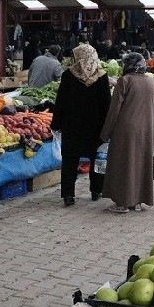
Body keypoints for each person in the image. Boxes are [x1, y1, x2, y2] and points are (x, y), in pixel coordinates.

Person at [99, 53, 154, 213]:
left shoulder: (124, 81)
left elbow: (114, 111)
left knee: (123, 164)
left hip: (125, 130)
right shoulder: (152, 82)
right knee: (141, 165)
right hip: (146, 130)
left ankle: (122, 203)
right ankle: (137, 202)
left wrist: (105, 134)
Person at [51, 44, 111, 207]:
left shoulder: (69, 75)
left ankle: (68, 195)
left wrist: (56, 124)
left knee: (70, 160)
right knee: (96, 158)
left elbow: (60, 102)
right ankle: (96, 190)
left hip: (73, 126)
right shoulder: (101, 76)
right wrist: (108, 128)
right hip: (95, 126)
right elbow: (107, 104)